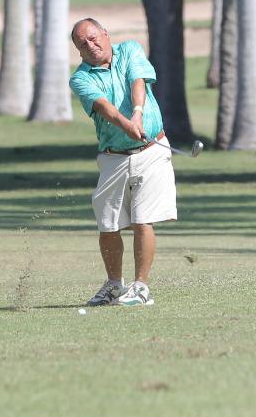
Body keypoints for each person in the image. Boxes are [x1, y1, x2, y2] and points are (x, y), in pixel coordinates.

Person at [69, 18, 177, 307]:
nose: (90, 45)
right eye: (83, 44)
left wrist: (137, 114)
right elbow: (104, 108)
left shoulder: (129, 49)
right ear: (78, 50)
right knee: (108, 225)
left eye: (93, 37)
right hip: (113, 157)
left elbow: (137, 80)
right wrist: (126, 125)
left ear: (105, 34)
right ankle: (114, 285)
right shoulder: (80, 79)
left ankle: (141, 287)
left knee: (143, 219)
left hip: (151, 151)